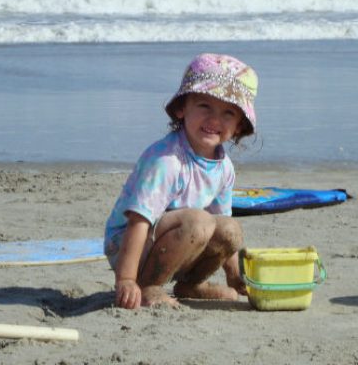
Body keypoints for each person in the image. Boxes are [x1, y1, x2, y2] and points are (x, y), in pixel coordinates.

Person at [104, 53, 258, 309]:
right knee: (199, 222)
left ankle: (190, 284)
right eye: (204, 106)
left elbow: (221, 223)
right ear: (181, 109)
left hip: (182, 242)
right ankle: (148, 285)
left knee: (230, 229)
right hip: (131, 247)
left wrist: (234, 276)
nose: (214, 120)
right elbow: (139, 219)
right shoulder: (167, 160)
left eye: (228, 112)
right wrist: (127, 279)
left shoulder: (224, 167)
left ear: (239, 126)